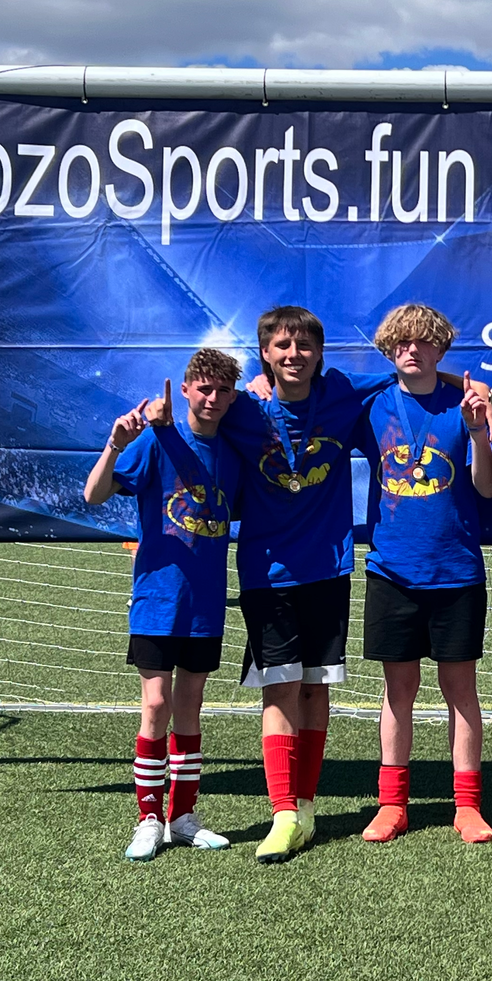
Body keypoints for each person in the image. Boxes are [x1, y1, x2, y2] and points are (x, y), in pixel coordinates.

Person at [218, 307, 398, 864]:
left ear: (320, 353)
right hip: (267, 573)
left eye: (303, 345)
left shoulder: (343, 392)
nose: (293, 353)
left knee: (316, 688)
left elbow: (409, 372)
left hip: (329, 566)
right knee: (280, 688)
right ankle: (282, 813)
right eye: (280, 345)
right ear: (265, 355)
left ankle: (308, 807)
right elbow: (198, 410)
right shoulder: (243, 408)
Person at [352, 303, 492, 845]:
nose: (411, 350)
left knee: (459, 690)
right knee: (398, 691)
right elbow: (318, 399)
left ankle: (467, 805)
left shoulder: (467, 407)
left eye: (423, 342)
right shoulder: (372, 403)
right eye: (401, 342)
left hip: (457, 570)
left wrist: (478, 431)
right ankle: (392, 804)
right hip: (391, 570)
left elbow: (488, 490)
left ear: (441, 349)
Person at [82, 349, 244, 862]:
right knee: (155, 704)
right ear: (188, 387)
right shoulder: (152, 441)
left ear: (232, 396)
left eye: (223, 390)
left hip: (205, 605)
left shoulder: (234, 457)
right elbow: (92, 495)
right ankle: (148, 818)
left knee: (191, 707)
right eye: (204, 388)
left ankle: (183, 816)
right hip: (157, 600)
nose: (213, 399)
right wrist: (114, 443)